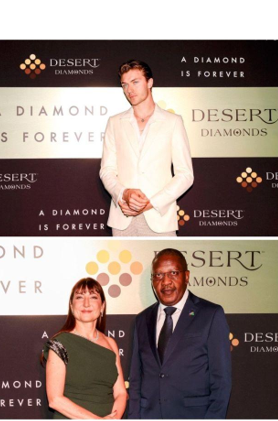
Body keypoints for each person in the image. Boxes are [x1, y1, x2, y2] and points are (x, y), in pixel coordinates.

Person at [127, 249, 231, 418]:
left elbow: (221, 380)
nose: (166, 281)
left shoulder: (210, 314)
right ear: (152, 281)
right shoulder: (142, 320)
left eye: (173, 273)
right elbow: (136, 380)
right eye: (158, 275)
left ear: (186, 276)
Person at [100, 60, 194, 236]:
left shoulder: (173, 122)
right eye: (124, 84)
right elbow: (107, 170)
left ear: (150, 82)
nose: (129, 89)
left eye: (135, 82)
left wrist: (152, 203)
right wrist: (124, 194)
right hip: (123, 217)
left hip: (159, 217)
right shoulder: (115, 122)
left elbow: (185, 175)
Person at [43, 278, 126, 419]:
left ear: (102, 306)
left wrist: (113, 419)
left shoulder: (111, 343)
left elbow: (121, 393)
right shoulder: (60, 343)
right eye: (79, 297)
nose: (86, 303)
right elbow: (55, 400)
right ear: (71, 305)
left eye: (93, 297)